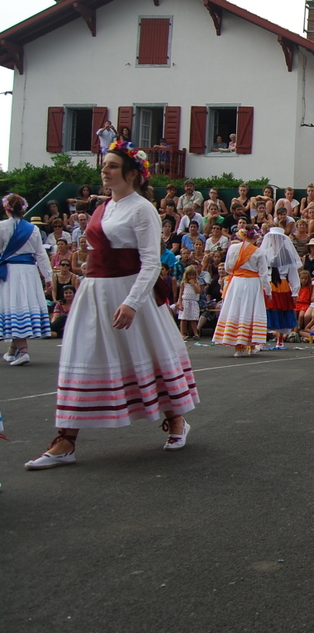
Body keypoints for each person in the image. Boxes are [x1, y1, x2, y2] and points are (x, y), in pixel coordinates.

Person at [25, 142, 196, 470]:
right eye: (105, 165)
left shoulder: (142, 209)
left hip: (129, 293)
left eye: (113, 165)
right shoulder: (103, 207)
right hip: (95, 293)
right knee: (82, 355)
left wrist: (132, 303)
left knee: (147, 355)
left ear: (132, 174)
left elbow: (151, 263)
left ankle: (176, 420)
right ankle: (66, 440)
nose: (105, 170)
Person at [0, 193, 53, 364]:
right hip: (29, 272)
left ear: (7, 209)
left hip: (10, 271)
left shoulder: (2, 227)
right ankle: (12, 351)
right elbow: (41, 255)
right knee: (22, 305)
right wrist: (48, 277)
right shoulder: (33, 229)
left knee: (14, 306)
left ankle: (23, 351)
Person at [212, 225, 270, 356]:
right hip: (252, 283)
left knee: (237, 310)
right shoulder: (258, 252)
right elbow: (263, 273)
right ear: (255, 236)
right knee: (250, 311)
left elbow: (227, 268)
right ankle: (250, 345)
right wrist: (268, 290)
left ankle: (239, 347)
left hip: (236, 282)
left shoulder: (233, 248)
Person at [261, 226, 301, 350]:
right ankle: (261, 339)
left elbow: (293, 273)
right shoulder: (265, 252)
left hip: (281, 284)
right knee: (266, 311)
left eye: (277, 238)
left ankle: (280, 338)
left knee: (282, 310)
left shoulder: (287, 255)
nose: (275, 240)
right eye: (273, 238)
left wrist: (295, 291)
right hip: (268, 282)